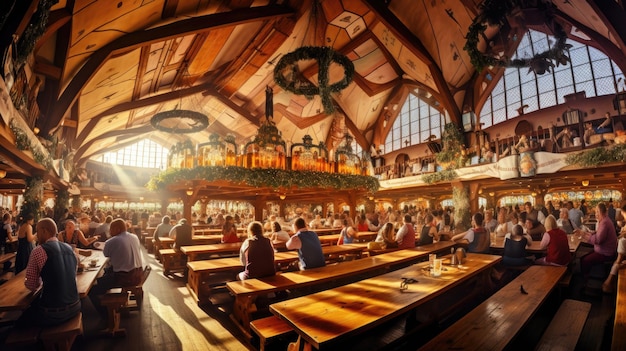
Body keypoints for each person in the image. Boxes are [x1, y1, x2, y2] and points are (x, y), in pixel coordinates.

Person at [19, 218, 81, 326]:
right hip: (76, 306)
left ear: (44, 231)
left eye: (37, 231)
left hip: (53, 313)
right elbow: (72, 276)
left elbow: (32, 285)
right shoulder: (70, 249)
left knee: (20, 322)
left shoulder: (38, 251)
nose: (36, 236)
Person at [89, 218, 143, 317]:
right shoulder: (134, 237)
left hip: (123, 278)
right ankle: (111, 305)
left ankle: (107, 314)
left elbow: (106, 254)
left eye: (111, 229)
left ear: (117, 229)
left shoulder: (112, 240)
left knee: (92, 290)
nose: (109, 231)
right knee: (105, 276)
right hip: (139, 275)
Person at [576, 202, 618, 278]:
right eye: (596, 212)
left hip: (606, 253)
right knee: (583, 256)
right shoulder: (604, 220)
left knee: (585, 260)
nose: (596, 214)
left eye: (597, 212)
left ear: (603, 212)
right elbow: (598, 234)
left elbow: (598, 240)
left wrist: (583, 235)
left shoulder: (604, 223)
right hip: (604, 250)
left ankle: (586, 279)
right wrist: (585, 233)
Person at [602, 229, 626, 293]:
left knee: (616, 265)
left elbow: (618, 261)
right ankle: (608, 284)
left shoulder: (622, 240)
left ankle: (607, 284)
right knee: (616, 265)